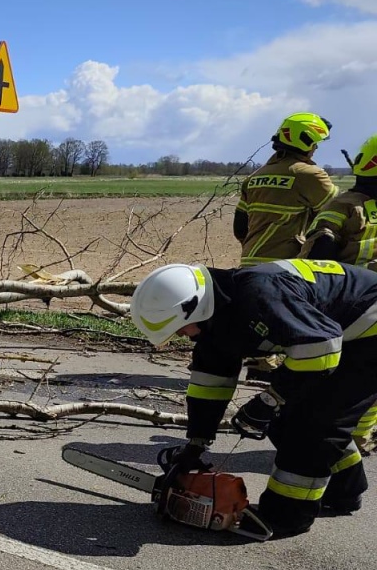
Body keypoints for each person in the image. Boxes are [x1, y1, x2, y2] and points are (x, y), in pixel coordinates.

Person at [130, 259, 377, 538]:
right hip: (340, 336)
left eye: (180, 329)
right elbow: (209, 383)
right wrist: (197, 442)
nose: (182, 337)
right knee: (285, 421)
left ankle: (287, 517)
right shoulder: (216, 320)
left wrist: (270, 399)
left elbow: (321, 348)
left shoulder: (259, 296)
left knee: (313, 426)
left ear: (194, 308)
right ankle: (346, 491)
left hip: (368, 334)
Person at [304, 135, 377, 453]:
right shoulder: (347, 205)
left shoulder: (350, 204)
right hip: (350, 310)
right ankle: (351, 438)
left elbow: (319, 250)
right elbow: (322, 244)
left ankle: (356, 437)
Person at [234, 113, 338, 265]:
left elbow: (239, 227)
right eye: (315, 143)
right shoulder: (309, 175)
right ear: (305, 141)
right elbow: (339, 215)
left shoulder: (255, 177)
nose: (315, 147)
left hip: (249, 263)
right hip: (286, 268)